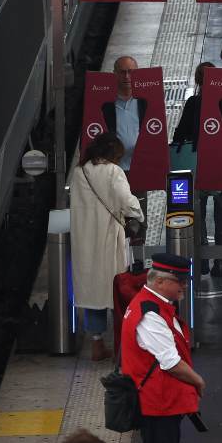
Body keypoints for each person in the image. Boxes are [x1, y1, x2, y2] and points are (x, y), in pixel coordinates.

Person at [113, 254, 206, 443]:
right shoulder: (150, 314)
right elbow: (169, 361)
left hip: (163, 404)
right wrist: (198, 380)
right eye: (180, 281)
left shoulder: (153, 305)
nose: (184, 287)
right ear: (162, 281)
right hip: (158, 406)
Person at [69, 133, 144, 361]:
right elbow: (126, 200)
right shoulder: (113, 171)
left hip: (84, 238)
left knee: (92, 290)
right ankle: (123, 345)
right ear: (113, 154)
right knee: (117, 288)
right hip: (109, 236)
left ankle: (97, 344)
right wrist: (137, 215)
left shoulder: (79, 172)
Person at [172, 62, 222, 277]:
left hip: (196, 165)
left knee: (198, 214)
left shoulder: (193, 103)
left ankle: (204, 261)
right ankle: (219, 262)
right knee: (220, 213)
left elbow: (179, 134)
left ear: (198, 81)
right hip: (220, 165)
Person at [102, 56, 147, 172]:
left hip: (140, 168)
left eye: (130, 72)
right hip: (113, 170)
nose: (127, 76)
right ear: (114, 74)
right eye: (122, 72)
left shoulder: (145, 103)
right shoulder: (105, 105)